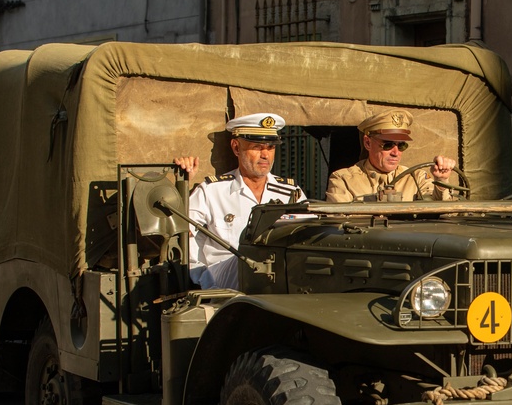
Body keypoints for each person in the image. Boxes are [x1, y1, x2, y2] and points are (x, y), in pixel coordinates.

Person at [174, 113, 304, 290]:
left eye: (271, 147)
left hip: (278, 282)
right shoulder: (212, 191)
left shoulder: (290, 192)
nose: (265, 155)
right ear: (236, 148)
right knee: (248, 259)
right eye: (257, 147)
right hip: (225, 282)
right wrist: (202, 280)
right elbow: (182, 238)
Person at [325, 109, 458, 202]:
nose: (395, 152)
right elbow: (339, 226)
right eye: (388, 145)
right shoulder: (344, 180)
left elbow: (441, 213)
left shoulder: (416, 179)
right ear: (367, 142)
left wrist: (441, 182)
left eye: (401, 145)